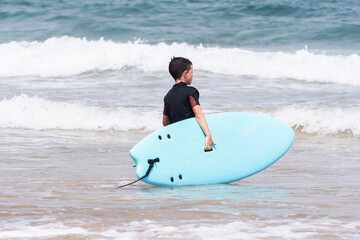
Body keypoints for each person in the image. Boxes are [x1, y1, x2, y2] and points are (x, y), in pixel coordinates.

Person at [163, 57, 215, 151]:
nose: (192, 75)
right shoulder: (191, 92)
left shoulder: (167, 97)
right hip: (192, 137)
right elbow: (198, 114)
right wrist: (208, 135)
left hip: (179, 140)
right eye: (192, 72)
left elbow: (165, 123)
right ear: (185, 74)